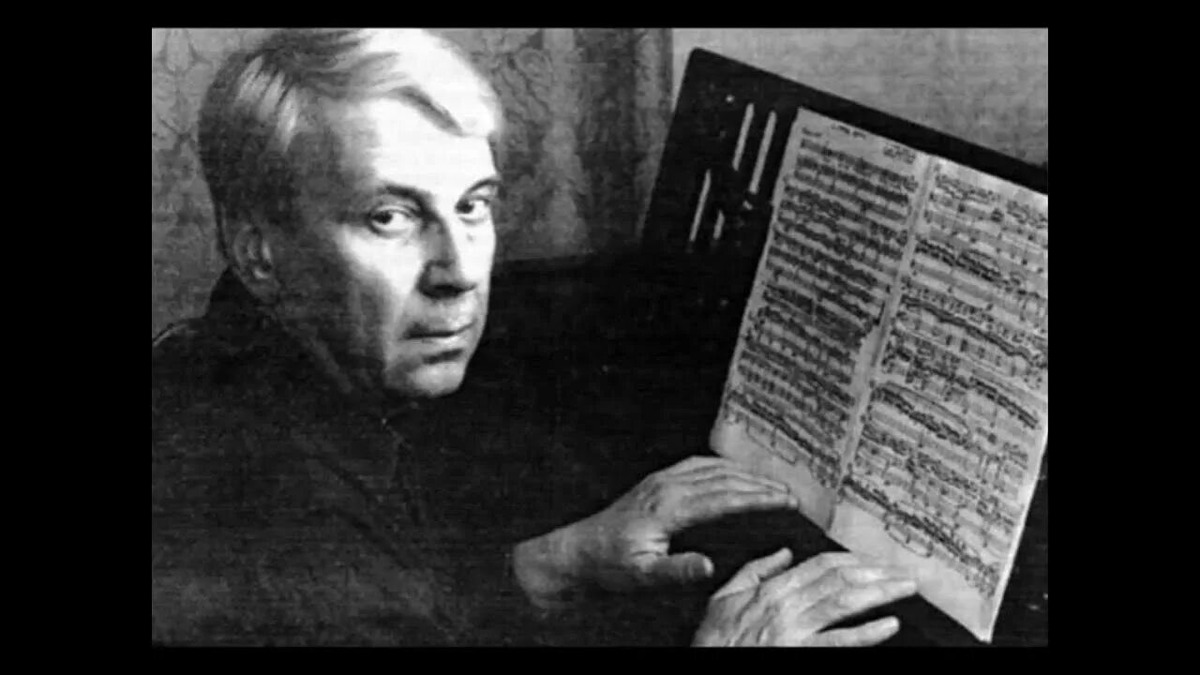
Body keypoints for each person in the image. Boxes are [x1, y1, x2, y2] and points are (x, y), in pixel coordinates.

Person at [151, 28, 917, 646]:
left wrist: (554, 562)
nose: (460, 271)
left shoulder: (245, 366)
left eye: (473, 205)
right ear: (260, 253)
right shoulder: (285, 524)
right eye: (390, 216)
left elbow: (394, 596)